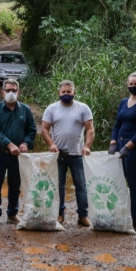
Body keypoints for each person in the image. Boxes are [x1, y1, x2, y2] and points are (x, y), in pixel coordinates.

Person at [41, 80, 94, 227]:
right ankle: (59, 214)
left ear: (74, 93)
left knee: (81, 185)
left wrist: (87, 146)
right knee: (58, 186)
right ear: (59, 93)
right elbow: (44, 129)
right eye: (63, 92)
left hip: (77, 154)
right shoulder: (52, 109)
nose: (66, 94)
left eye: (69, 92)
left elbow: (90, 129)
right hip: (59, 154)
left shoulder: (83, 108)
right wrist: (51, 144)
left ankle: (83, 215)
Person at [108, 72, 136, 232]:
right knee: (118, 184)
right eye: (131, 84)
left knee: (134, 185)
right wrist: (113, 142)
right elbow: (117, 124)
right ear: (127, 84)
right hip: (120, 146)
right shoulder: (123, 102)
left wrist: (128, 146)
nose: (133, 86)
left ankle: (134, 221)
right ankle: (119, 216)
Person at [0, 78, 37, 225]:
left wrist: (25, 143)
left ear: (18, 92)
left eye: (14, 90)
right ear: (2, 92)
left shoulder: (25, 110)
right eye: (8, 90)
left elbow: (32, 130)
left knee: (15, 185)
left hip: (18, 155)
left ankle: (12, 213)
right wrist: (10, 144)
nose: (11, 93)